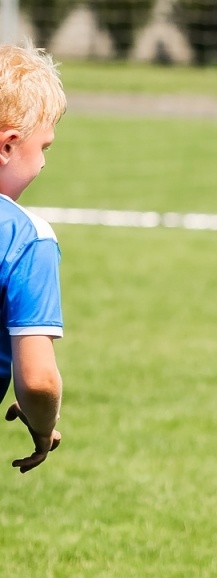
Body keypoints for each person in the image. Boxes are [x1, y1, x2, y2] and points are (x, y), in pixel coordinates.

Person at [0, 46, 66, 475]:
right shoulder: (26, 237)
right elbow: (38, 379)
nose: (43, 163)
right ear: (8, 144)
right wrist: (44, 426)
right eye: (44, 146)